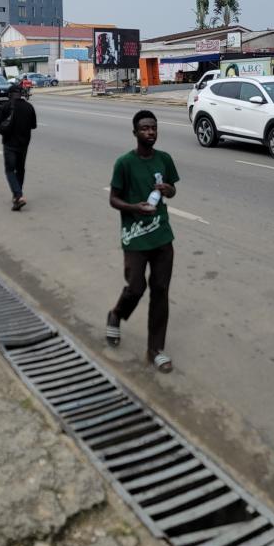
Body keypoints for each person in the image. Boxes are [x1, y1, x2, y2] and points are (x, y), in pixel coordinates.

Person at [107, 110, 179, 373]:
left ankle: (155, 349)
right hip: (135, 236)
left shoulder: (164, 159)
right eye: (145, 128)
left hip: (162, 236)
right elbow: (113, 199)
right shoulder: (124, 163)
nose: (150, 132)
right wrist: (134, 207)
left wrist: (168, 190)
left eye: (153, 128)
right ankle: (116, 314)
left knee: (160, 291)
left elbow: (172, 190)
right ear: (135, 132)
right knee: (136, 287)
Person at [0, 84, 37, 211]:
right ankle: (17, 196)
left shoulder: (5, 106)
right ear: (21, 94)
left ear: (9, 95)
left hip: (9, 144)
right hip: (24, 144)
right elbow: (33, 125)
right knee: (20, 169)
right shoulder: (29, 107)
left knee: (9, 170)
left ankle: (18, 195)